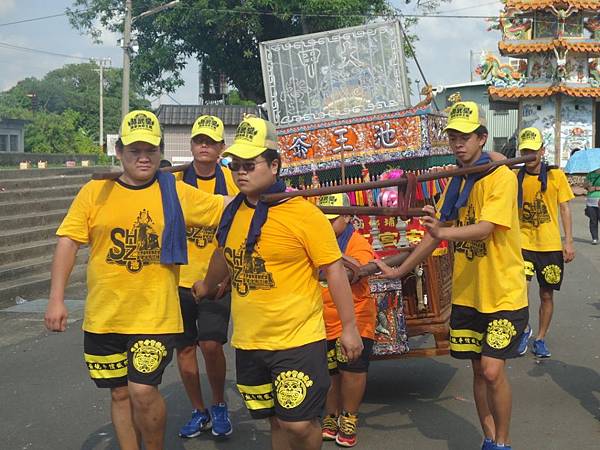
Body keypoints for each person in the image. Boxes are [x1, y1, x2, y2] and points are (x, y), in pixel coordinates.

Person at [44, 110, 230, 450]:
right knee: (119, 393)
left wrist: (267, 190)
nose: (143, 158)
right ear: (119, 152)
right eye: (134, 151)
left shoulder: (173, 191)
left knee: (143, 391)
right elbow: (68, 241)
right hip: (105, 316)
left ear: (160, 151)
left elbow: (226, 206)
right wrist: (56, 298)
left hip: (154, 315)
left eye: (150, 150)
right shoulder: (95, 191)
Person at [192, 115, 364, 450]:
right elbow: (222, 254)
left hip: (297, 340)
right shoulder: (231, 213)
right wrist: (207, 285)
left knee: (298, 424)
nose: (240, 171)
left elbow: (334, 270)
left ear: (274, 166)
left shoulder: (303, 213)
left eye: (250, 164)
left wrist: (349, 327)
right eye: (235, 164)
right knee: (274, 419)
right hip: (250, 341)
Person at [374, 102, 528, 450]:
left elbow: (486, 228)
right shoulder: (456, 183)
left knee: (492, 371)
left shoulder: (500, 177)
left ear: (482, 138)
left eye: (466, 137)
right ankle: (488, 438)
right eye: (453, 138)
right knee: (477, 371)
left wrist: (443, 233)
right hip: (468, 294)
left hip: (503, 292)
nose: (459, 144)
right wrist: (401, 269)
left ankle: (503, 442)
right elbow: (435, 231)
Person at [174, 115, 238, 438]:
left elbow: (242, 227)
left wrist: (229, 275)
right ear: (192, 145)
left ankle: (218, 404)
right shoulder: (175, 181)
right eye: (199, 140)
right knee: (184, 349)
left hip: (216, 280)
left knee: (211, 345)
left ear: (220, 147)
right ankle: (199, 410)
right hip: (179, 280)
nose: (204, 146)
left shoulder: (232, 181)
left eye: (210, 142)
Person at [317, 193, 376, 448]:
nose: (327, 225)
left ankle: (349, 417)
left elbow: (357, 271)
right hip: (320, 318)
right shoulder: (316, 239)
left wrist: (332, 255)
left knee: (351, 369)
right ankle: (331, 416)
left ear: (347, 217)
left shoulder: (357, 242)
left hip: (355, 316)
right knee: (329, 371)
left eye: (332, 220)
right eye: (323, 220)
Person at [514, 127, 575, 359]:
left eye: (533, 150)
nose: (529, 155)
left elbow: (565, 208)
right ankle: (523, 330)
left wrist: (568, 241)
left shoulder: (555, 175)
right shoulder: (514, 177)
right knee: (520, 292)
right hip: (522, 245)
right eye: (525, 151)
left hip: (549, 246)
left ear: (542, 150)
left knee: (546, 295)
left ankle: (540, 337)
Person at [584, 168, 600, 245]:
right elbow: (585, 185)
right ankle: (594, 238)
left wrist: (595, 188)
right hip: (590, 201)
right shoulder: (590, 174)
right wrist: (587, 185)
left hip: (599, 200)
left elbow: (595, 188)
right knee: (593, 221)